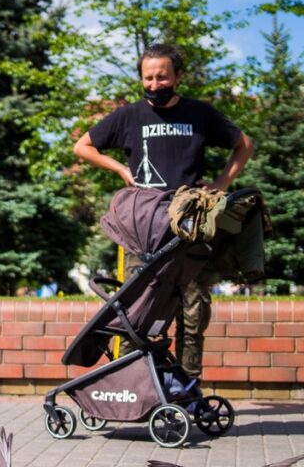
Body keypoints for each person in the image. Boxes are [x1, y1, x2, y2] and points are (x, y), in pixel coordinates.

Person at [73, 42, 253, 379]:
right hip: (143, 227)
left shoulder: (199, 114)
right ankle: (129, 384)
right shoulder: (128, 116)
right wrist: (121, 170)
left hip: (191, 225)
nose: (154, 85)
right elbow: (82, 146)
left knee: (193, 308)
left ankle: (187, 385)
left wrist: (220, 185)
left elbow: (244, 144)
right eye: (148, 78)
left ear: (178, 76)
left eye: (162, 77)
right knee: (136, 309)